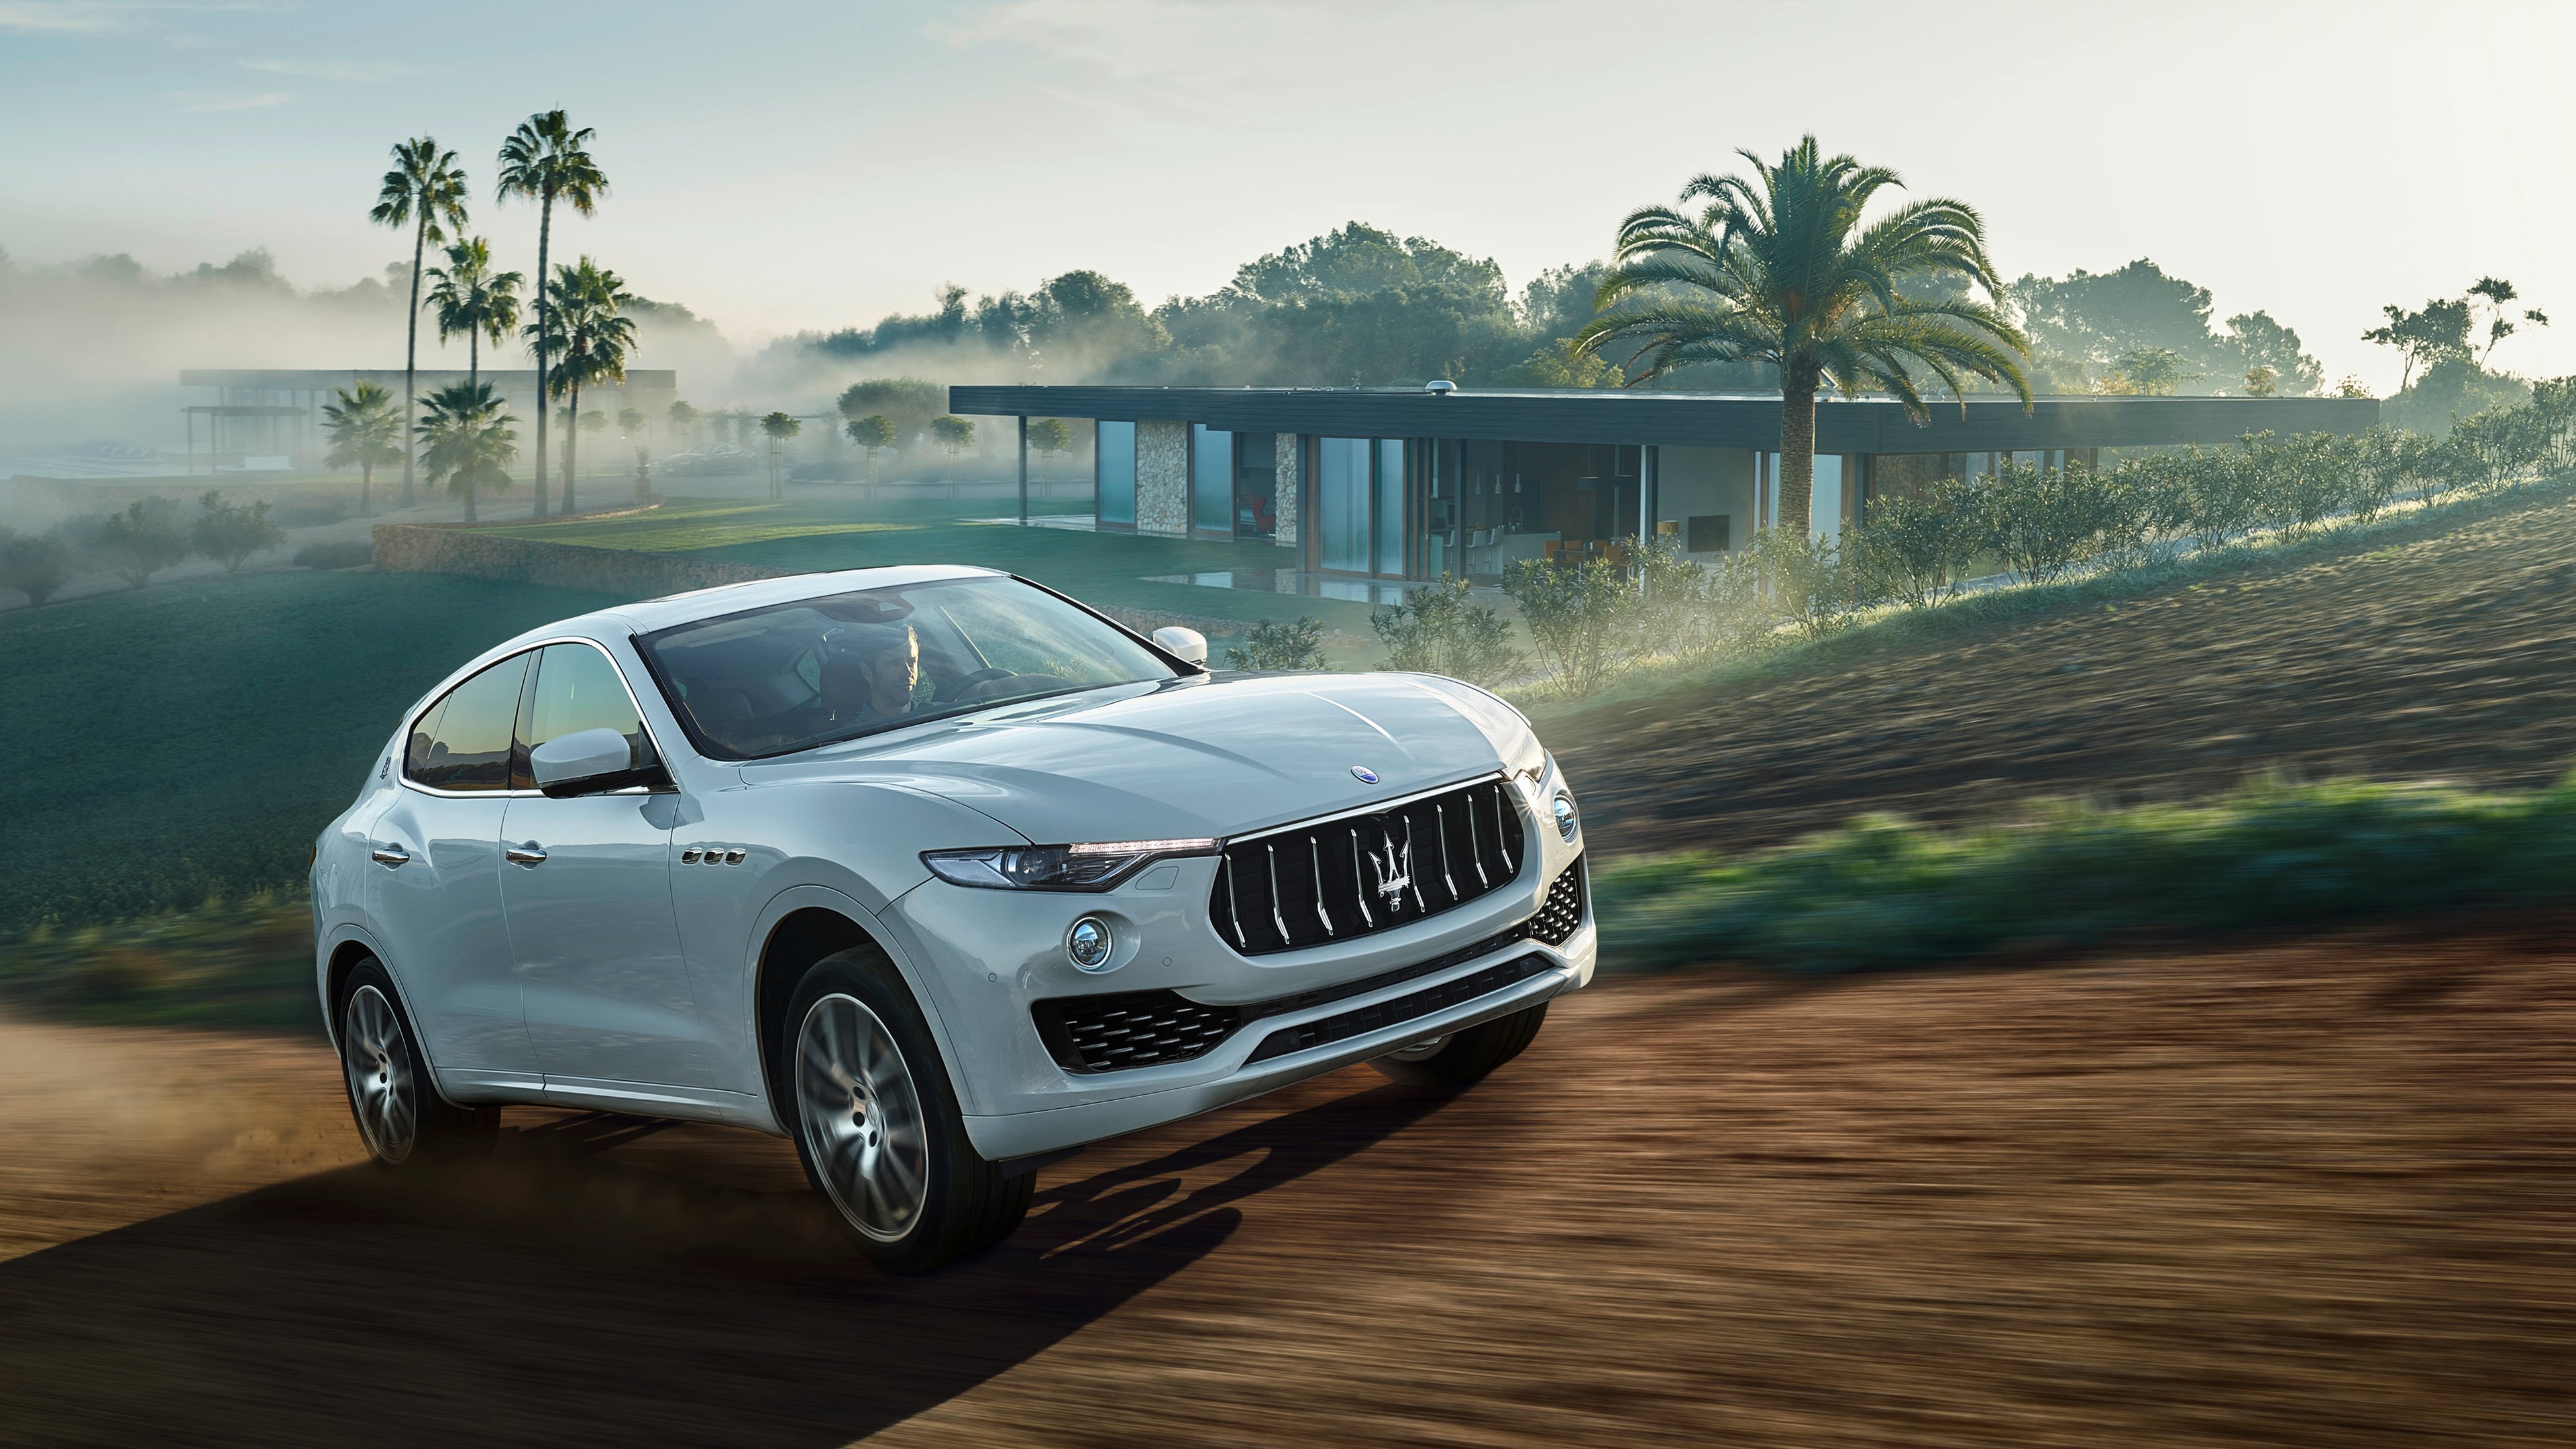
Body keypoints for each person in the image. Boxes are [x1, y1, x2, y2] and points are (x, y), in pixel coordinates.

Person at [821, 620, 919, 725]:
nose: (908, 672)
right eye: (893, 663)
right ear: (868, 673)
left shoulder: (932, 718)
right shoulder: (855, 733)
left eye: (912, 662)